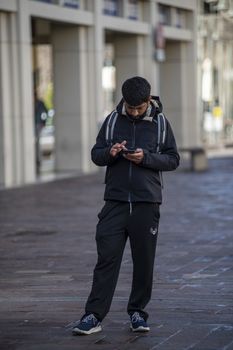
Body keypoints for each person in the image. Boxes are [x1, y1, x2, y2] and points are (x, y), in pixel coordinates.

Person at [72, 76, 180, 335]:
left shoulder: (161, 123)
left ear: (148, 100)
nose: (133, 112)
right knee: (106, 258)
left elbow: (173, 159)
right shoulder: (111, 120)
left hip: (146, 202)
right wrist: (109, 152)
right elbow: (95, 154)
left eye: (138, 108)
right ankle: (93, 316)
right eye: (130, 108)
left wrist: (146, 158)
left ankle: (137, 313)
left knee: (144, 261)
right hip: (115, 201)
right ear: (123, 101)